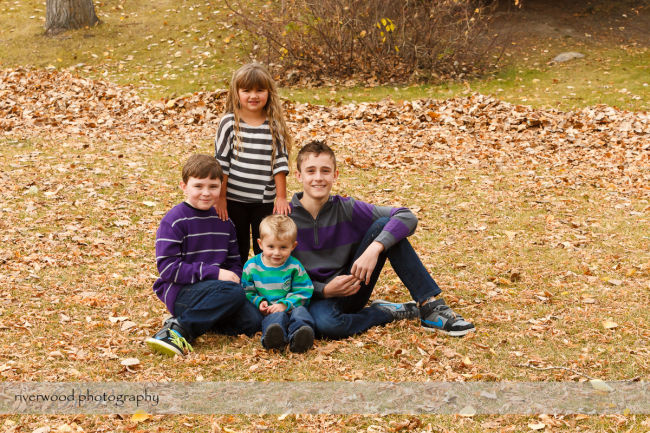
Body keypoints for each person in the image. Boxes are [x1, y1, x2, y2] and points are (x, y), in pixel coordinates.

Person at [289, 140, 476, 339]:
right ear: (298, 175)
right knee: (327, 326)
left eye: (325, 171)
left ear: (335, 175)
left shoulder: (347, 208)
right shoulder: (285, 217)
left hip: (352, 287)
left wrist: (375, 248)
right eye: (311, 171)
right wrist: (324, 290)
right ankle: (385, 312)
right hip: (311, 296)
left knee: (386, 226)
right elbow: (277, 271)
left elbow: (406, 216)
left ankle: (430, 307)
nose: (318, 178)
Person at [146, 154, 262, 357]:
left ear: (221, 186)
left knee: (252, 321)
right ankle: (178, 329)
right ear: (184, 186)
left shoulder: (225, 222)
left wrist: (233, 277)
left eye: (213, 186)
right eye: (198, 186)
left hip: (219, 291)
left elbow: (234, 262)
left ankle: (203, 318)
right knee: (233, 294)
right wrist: (215, 273)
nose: (206, 193)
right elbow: (167, 268)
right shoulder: (174, 220)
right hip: (182, 292)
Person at [215, 62, 293, 266]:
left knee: (266, 245)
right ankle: (238, 284)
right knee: (237, 245)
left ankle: (264, 283)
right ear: (236, 93)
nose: (253, 95)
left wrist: (281, 197)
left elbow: (280, 163)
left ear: (269, 92)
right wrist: (220, 197)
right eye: (246, 90)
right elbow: (221, 163)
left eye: (260, 90)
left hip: (264, 201)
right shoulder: (229, 123)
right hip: (233, 199)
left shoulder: (274, 124)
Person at [241, 215, 315, 353]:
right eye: (271, 246)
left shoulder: (294, 266)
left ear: (293, 246)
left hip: (291, 307)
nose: (276, 252)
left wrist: (285, 304)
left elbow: (304, 290)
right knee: (276, 319)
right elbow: (247, 291)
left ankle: (300, 337)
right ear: (260, 244)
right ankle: (275, 339)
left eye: (283, 247)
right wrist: (259, 301)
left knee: (301, 313)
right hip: (270, 311)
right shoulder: (251, 267)